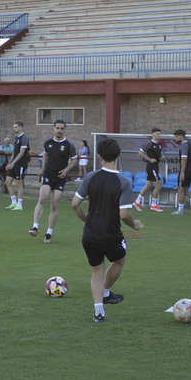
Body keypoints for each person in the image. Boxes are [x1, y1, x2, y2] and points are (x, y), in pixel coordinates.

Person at [71, 137, 142, 323]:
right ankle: (107, 292)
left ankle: (99, 313)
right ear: (118, 156)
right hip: (111, 234)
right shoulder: (124, 182)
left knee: (96, 271)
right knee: (120, 259)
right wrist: (134, 225)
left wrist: (86, 221)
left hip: (90, 235)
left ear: (100, 157)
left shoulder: (90, 177)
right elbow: (124, 214)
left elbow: (75, 204)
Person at [29, 120, 78, 243]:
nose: (59, 130)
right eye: (57, 128)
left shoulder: (69, 145)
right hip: (48, 175)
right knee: (42, 198)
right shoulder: (48, 142)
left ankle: (49, 233)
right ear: (53, 128)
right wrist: (43, 169)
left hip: (60, 178)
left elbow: (74, 160)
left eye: (62, 128)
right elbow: (45, 154)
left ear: (64, 129)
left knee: (54, 205)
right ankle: (35, 227)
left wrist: (66, 170)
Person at [133, 128, 165, 213]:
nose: (159, 135)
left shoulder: (159, 144)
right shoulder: (149, 144)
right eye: (157, 134)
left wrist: (162, 156)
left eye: (160, 134)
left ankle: (137, 201)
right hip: (151, 167)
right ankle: (153, 204)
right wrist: (149, 159)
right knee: (159, 185)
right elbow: (140, 152)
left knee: (148, 186)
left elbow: (160, 153)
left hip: (155, 166)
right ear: (153, 134)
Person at [4, 121, 30, 210]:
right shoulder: (16, 138)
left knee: (19, 184)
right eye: (13, 127)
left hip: (20, 164)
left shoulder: (24, 138)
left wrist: (13, 163)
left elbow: (22, 152)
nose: (14, 129)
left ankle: (19, 205)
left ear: (20, 127)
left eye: (15, 127)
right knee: (7, 182)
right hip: (14, 164)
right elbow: (14, 152)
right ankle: (13, 202)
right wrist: (10, 163)